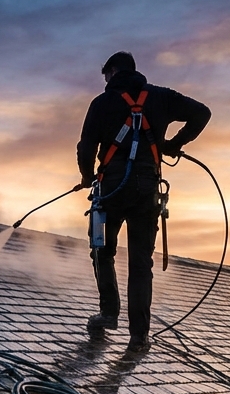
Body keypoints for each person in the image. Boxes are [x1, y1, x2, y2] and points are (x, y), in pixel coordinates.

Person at [76, 51, 210, 353]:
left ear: (112, 72)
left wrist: (86, 176)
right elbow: (202, 113)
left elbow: (86, 146)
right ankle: (139, 336)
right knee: (140, 264)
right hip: (146, 190)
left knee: (101, 250)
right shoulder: (161, 97)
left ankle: (109, 313)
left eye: (106, 75)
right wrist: (172, 145)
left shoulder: (101, 103)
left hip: (110, 189)